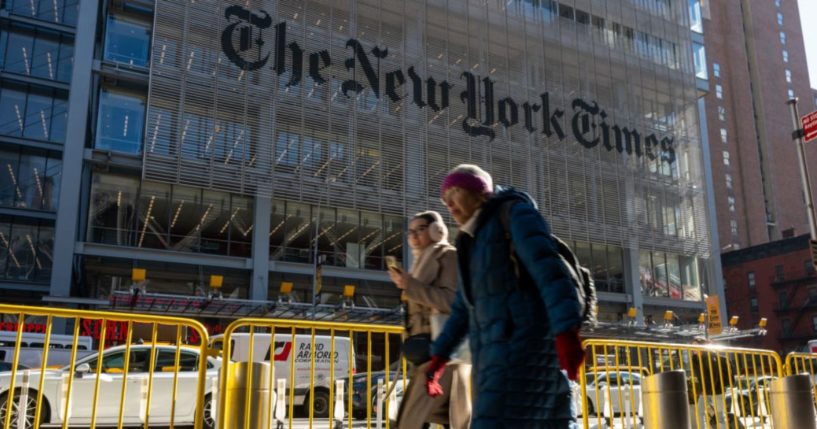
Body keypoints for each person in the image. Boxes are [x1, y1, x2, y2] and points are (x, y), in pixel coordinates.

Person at [426, 164, 586, 429]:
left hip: (523, 350)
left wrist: (566, 331)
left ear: (478, 191)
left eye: (454, 192)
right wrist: (439, 356)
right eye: (444, 198)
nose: (449, 203)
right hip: (493, 357)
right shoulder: (469, 241)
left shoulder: (514, 213)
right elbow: (464, 308)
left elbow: (549, 270)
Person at [389, 211, 472, 429]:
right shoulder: (420, 262)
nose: (414, 235)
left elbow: (453, 302)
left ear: (437, 231)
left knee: (411, 421)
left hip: (443, 355)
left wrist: (410, 286)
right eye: (411, 231)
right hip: (426, 355)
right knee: (445, 419)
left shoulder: (448, 256)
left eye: (420, 229)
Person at [688, 336, 741, 429]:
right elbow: (700, 377)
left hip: (717, 390)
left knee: (720, 415)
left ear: (703, 346)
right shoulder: (695, 359)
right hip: (704, 391)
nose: (693, 349)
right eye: (692, 346)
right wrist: (702, 389)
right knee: (700, 412)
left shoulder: (710, 356)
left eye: (696, 346)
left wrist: (707, 390)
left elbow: (714, 375)